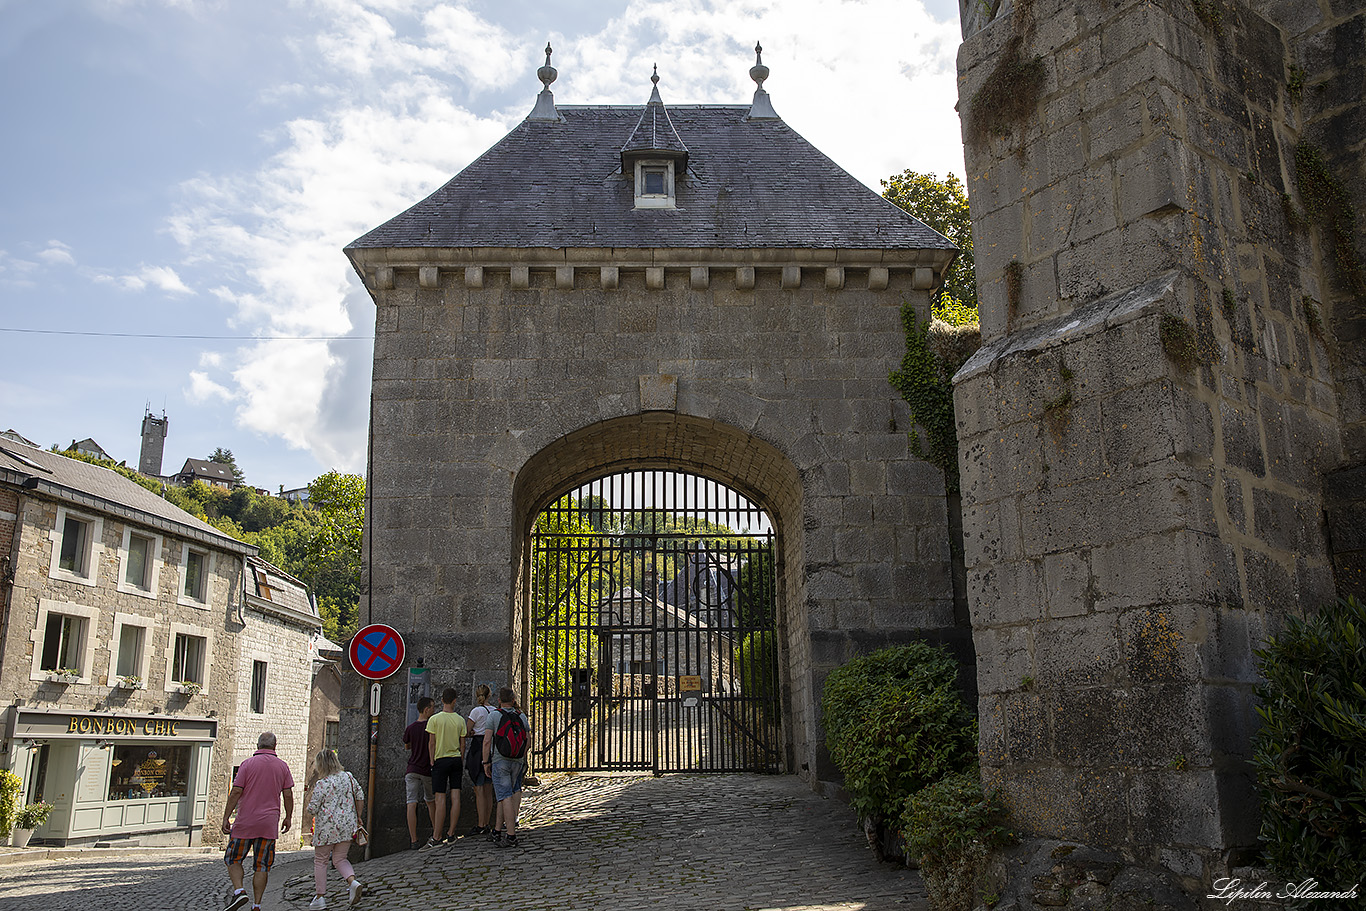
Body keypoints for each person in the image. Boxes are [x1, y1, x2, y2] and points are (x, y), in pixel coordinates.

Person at [221, 732, 295, 911]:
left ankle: (239, 891)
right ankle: (257, 905)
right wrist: (288, 816)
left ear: (257, 745)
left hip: (245, 822)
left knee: (233, 858)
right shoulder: (282, 767)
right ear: (275, 746)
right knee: (262, 865)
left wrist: (226, 816)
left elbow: (236, 791)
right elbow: (288, 794)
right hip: (268, 824)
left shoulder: (247, 764)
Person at [305, 749, 365, 910]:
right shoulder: (349, 777)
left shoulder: (322, 784)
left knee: (321, 860)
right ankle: (353, 882)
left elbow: (312, 808)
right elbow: (360, 796)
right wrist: (358, 816)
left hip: (327, 828)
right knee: (340, 859)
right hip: (347, 826)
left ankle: (320, 897)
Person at [482, 686, 531, 848]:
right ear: (513, 700)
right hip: (517, 760)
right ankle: (497, 830)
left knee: (504, 796)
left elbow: (487, 740)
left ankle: (510, 835)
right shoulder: (521, 715)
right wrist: (522, 756)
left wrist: (485, 762)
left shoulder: (494, 715)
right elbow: (528, 739)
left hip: (500, 759)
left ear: (499, 700)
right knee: (506, 794)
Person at [425, 687, 467, 847]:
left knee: (440, 798)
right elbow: (462, 745)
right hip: (455, 759)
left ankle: (437, 836)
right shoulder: (460, 720)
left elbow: (432, 743)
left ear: (442, 700)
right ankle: (451, 833)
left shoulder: (434, 720)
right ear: (455, 700)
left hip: (440, 759)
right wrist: (460, 759)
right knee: (456, 796)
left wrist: (431, 759)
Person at [403, 696, 438, 849]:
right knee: (430, 801)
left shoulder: (410, 728)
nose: (434, 710)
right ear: (426, 710)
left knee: (411, 803)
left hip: (412, 769)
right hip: (426, 769)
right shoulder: (431, 727)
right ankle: (437, 833)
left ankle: (413, 840)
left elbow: (406, 746)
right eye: (432, 707)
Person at [464, 684, 496, 836]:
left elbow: (467, 730)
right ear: (490, 695)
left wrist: (473, 732)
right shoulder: (495, 711)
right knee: (488, 790)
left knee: (479, 789)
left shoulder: (476, 711)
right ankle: (487, 822)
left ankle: (481, 823)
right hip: (492, 749)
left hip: (478, 749)